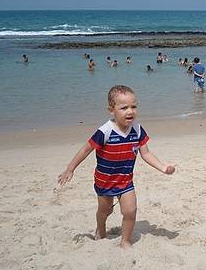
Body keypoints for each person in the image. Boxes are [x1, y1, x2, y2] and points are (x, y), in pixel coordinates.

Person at [58, 85, 175, 249]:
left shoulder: (138, 129)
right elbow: (86, 149)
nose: (130, 111)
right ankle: (101, 228)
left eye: (134, 106)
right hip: (104, 181)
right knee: (105, 211)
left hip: (126, 181)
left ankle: (125, 240)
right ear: (111, 110)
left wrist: (163, 167)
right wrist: (70, 168)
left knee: (130, 211)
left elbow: (146, 153)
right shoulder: (105, 131)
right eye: (124, 107)